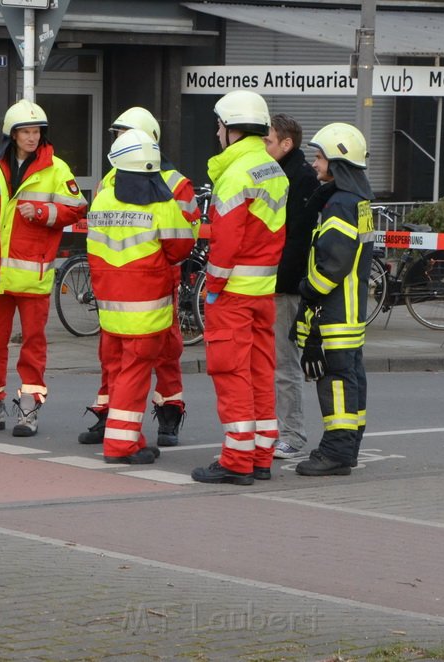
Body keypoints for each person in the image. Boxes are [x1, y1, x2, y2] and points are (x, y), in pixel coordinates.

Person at [0, 99, 88, 437]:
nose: (32, 138)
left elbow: (78, 207)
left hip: (34, 273)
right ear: (12, 135)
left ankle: (29, 411)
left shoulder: (56, 168)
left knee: (33, 344)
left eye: (36, 132)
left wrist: (45, 214)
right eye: (25, 132)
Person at [78, 106, 199, 448]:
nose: (119, 141)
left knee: (165, 352)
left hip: (158, 281)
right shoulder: (109, 181)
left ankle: (168, 411)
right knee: (117, 357)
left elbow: (184, 233)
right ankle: (114, 418)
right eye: (117, 136)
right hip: (131, 285)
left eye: (124, 135)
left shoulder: (175, 183)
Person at [191, 90, 289, 486]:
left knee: (231, 372)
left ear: (232, 129)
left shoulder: (234, 175)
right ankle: (262, 454)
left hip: (232, 292)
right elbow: (263, 231)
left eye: (219, 126)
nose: (217, 134)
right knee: (259, 371)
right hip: (263, 291)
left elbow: (228, 242)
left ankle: (235, 459)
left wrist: (212, 286)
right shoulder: (272, 169)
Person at [293, 122, 374, 476]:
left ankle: (337, 452)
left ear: (337, 162)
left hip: (335, 312)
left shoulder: (341, 205)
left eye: (319, 156)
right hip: (352, 310)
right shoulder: (358, 201)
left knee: (337, 379)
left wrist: (308, 290)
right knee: (351, 375)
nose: (313, 162)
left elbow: (334, 264)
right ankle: (348, 445)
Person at [262, 113, 321, 460]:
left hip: (283, 286)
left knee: (285, 365)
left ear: (286, 144)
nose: (262, 146)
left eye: (268, 141)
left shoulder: (299, 179)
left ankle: (292, 433)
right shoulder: (277, 173)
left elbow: (295, 239)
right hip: (270, 282)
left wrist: (281, 282)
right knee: (273, 363)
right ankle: (275, 428)